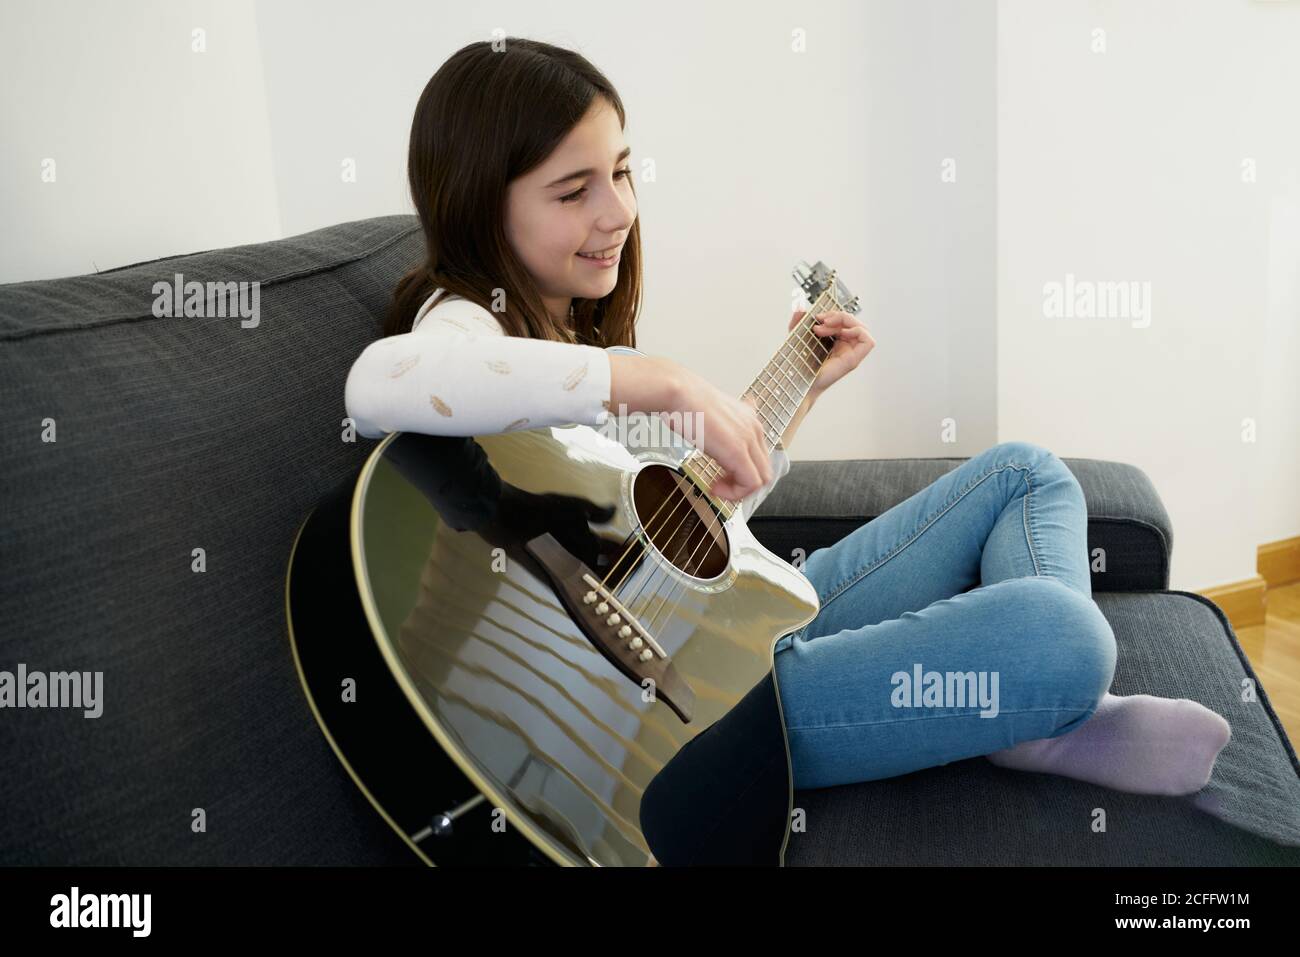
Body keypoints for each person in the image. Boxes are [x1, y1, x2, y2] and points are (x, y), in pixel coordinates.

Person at [345, 37, 1231, 825]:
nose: (618, 212)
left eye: (622, 171)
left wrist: (792, 399)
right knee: (1060, 633)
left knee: (1028, 474)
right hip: (690, 716)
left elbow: (688, 537)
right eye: (575, 190)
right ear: (478, 204)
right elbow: (379, 383)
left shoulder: (569, 330)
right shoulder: (462, 322)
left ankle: (1040, 717)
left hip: (723, 626)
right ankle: (1050, 699)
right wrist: (660, 380)